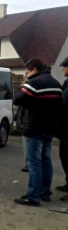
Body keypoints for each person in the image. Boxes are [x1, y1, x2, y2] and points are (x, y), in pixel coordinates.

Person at [13, 58, 62, 206]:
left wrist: (22, 86)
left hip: (34, 128)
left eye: (27, 72)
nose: (26, 74)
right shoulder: (56, 84)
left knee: (33, 163)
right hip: (50, 127)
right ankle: (45, 192)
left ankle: (33, 196)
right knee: (46, 161)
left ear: (34, 69)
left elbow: (17, 99)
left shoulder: (34, 83)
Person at [56, 56, 68, 201]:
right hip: (64, 130)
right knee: (64, 157)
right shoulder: (65, 85)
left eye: (64, 67)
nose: (63, 69)